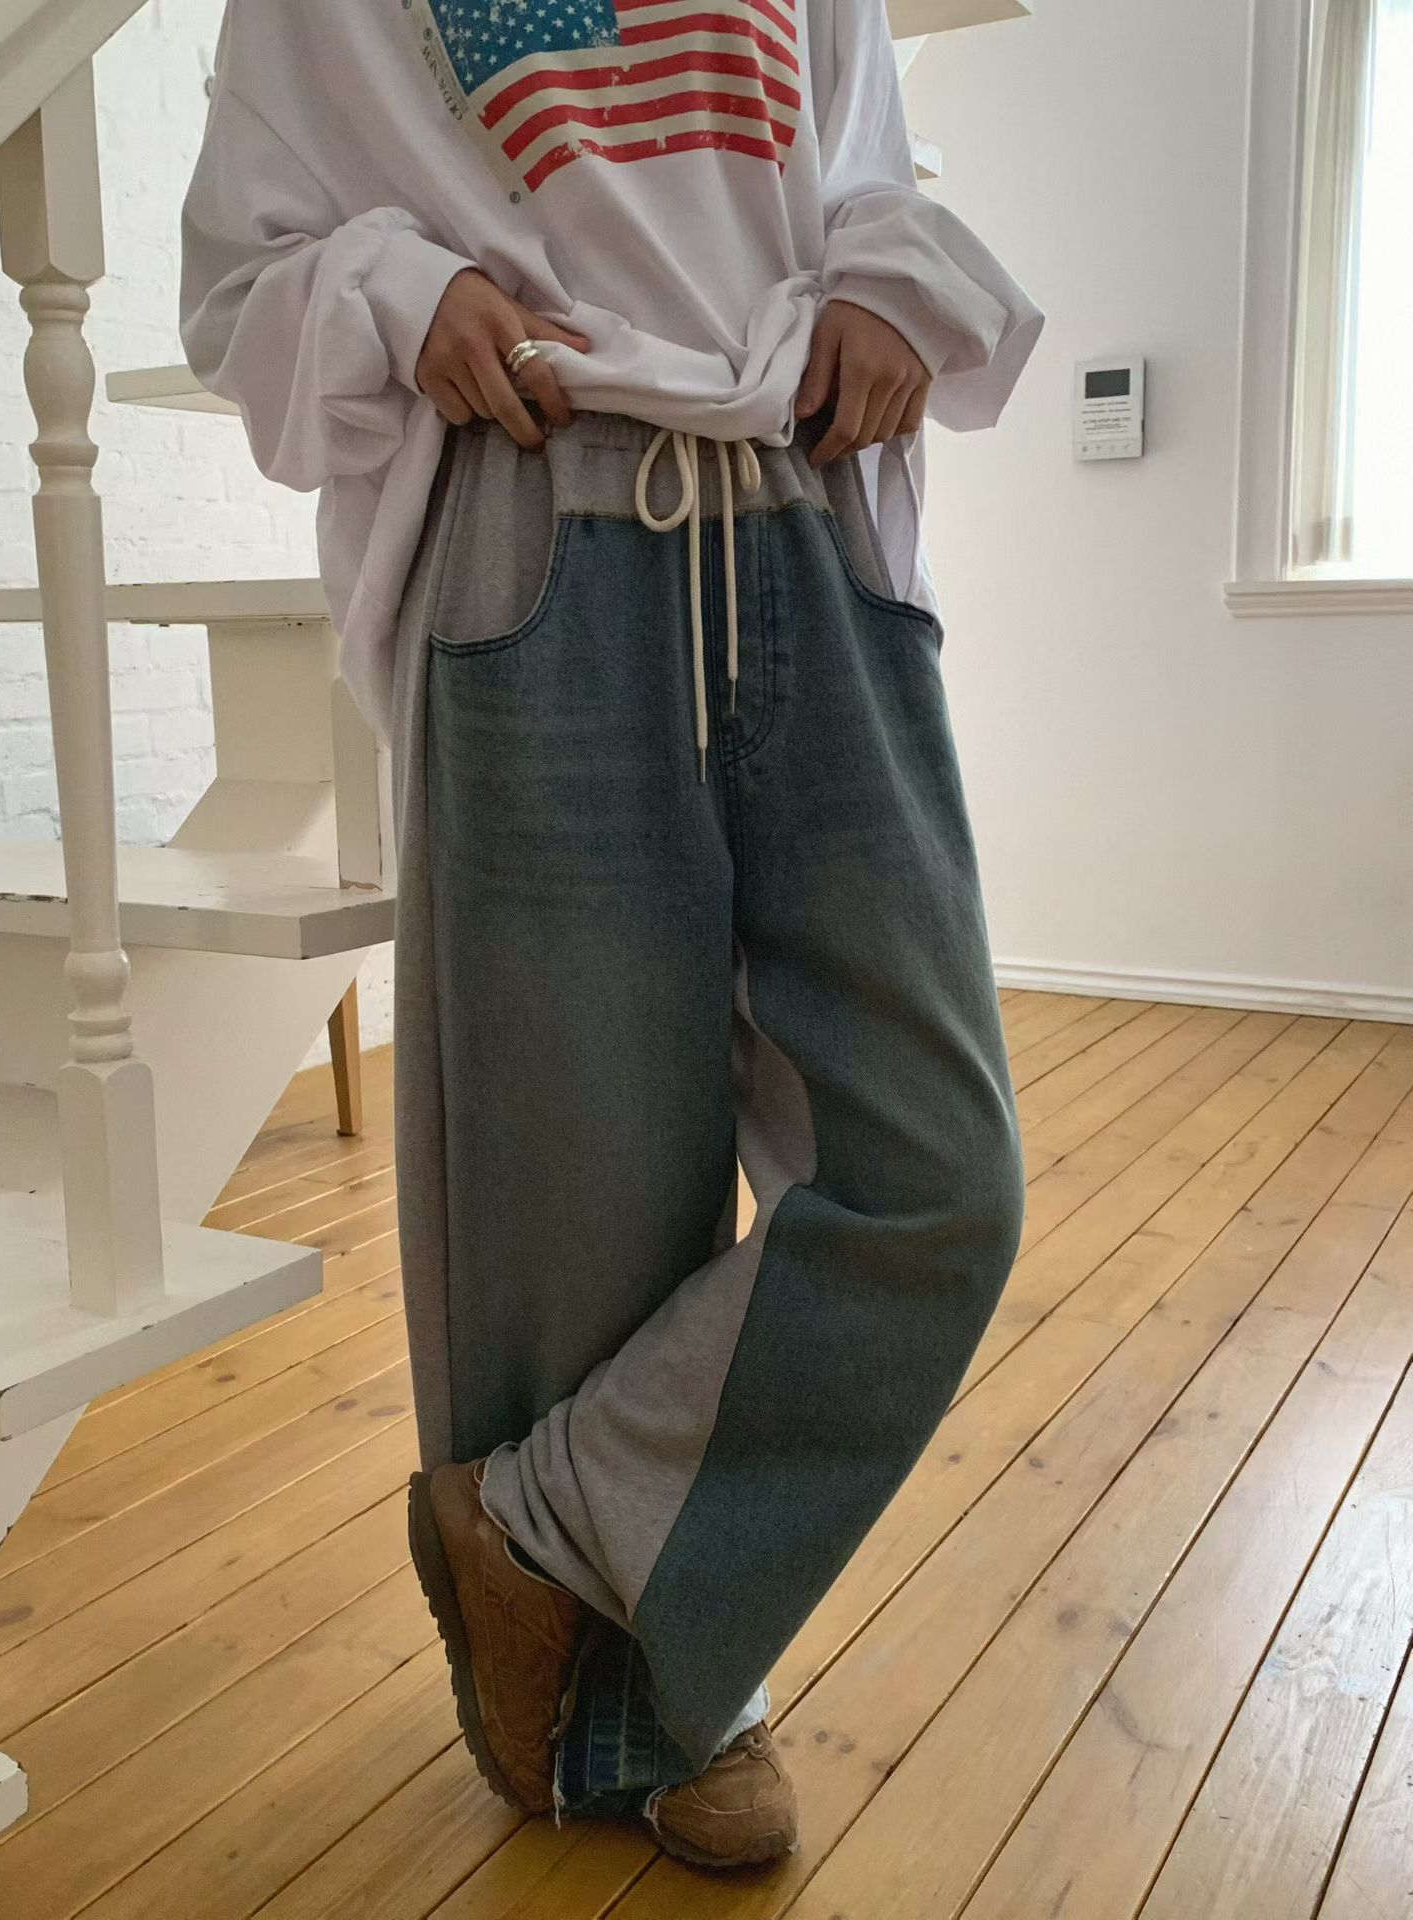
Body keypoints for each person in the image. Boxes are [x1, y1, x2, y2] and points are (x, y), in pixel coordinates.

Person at [181, 0, 1044, 1872]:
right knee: (570, 1203)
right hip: (532, 501)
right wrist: (399, 290)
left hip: (800, 499)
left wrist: (893, 283)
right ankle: (645, 1711)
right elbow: (239, 278)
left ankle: (534, 1536)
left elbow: (864, 171)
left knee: (937, 1175)